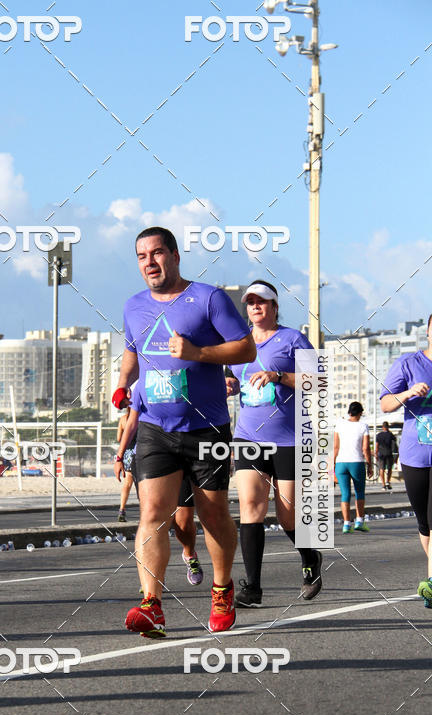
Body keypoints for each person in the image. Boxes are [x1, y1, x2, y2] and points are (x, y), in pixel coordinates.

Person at [113, 226, 255, 638]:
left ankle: (222, 588)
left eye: (157, 253)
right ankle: (151, 605)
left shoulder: (208, 298)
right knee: (153, 516)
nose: (150, 263)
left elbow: (245, 349)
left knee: (212, 515)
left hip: (206, 428)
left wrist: (197, 353)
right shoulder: (133, 306)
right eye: (142, 256)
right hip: (156, 428)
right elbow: (131, 352)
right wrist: (123, 386)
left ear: (175, 255)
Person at [226, 280, 323, 608]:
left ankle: (310, 557)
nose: (255, 306)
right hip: (248, 435)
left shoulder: (292, 339)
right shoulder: (238, 342)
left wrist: (278, 376)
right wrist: (226, 383)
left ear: (274, 306)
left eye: (262, 301)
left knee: (287, 516)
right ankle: (252, 587)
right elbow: (231, 377)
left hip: (288, 438)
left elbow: (317, 381)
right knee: (251, 506)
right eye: (250, 302)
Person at [115, 400, 205, 586]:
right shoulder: (142, 385)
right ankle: (150, 577)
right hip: (149, 457)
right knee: (152, 519)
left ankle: (189, 555)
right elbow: (131, 423)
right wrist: (119, 456)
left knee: (183, 521)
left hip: (182, 453)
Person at [380, 315, 432, 605]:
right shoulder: (408, 364)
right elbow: (385, 404)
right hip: (415, 455)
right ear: (427, 332)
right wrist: (409, 392)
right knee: (424, 524)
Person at [334, 401, 372, 533]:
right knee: (359, 492)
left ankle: (346, 524)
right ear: (360, 413)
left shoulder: (339, 425)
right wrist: (370, 465)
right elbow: (366, 448)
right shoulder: (363, 426)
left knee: (345, 494)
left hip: (340, 463)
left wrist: (332, 466)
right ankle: (359, 522)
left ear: (349, 412)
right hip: (356, 462)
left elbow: (335, 447)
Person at [116, 407, 135, 522]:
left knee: (127, 483)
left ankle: (122, 509)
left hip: (127, 452)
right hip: (140, 451)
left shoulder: (123, 419)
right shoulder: (140, 418)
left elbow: (119, 438)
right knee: (142, 484)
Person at [375, 420, 397, 490]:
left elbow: (377, 445)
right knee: (389, 468)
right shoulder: (390, 435)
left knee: (381, 468)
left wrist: (376, 453)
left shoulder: (379, 435)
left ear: (382, 427)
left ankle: (383, 484)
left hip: (381, 454)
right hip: (389, 453)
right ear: (388, 427)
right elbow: (394, 442)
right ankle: (388, 482)